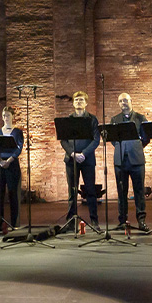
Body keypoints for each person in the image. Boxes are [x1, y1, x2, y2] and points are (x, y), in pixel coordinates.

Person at [59, 91, 101, 233]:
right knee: (72, 192)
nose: (78, 102)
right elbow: (63, 140)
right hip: (71, 160)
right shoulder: (68, 119)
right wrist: (72, 153)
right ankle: (71, 222)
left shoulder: (92, 119)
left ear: (86, 103)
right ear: (73, 103)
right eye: (76, 100)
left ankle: (94, 221)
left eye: (81, 100)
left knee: (91, 191)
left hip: (87, 159)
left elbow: (96, 139)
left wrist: (83, 154)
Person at [110, 92, 150, 232]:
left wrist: (136, 147)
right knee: (121, 192)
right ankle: (122, 220)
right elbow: (113, 139)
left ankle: (141, 220)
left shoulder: (140, 118)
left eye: (125, 100)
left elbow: (146, 138)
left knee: (139, 191)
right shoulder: (115, 119)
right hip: (120, 160)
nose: (123, 103)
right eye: (121, 101)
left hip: (136, 160)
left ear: (131, 101)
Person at [0, 106, 24, 231]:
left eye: (8, 115)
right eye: (4, 115)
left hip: (12, 164)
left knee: (13, 193)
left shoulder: (17, 132)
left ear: (13, 117)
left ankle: (15, 223)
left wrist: (9, 160)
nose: (6, 118)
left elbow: (19, 148)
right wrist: (0, 160)